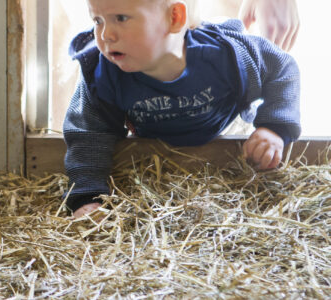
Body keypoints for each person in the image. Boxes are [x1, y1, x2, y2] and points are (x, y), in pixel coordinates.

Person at [63, 0, 301, 218]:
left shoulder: (226, 56)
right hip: (155, 168)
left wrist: (274, 127)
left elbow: (282, 68)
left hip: (228, 141)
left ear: (174, 18)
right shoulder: (103, 74)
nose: (105, 35)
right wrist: (87, 195)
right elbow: (87, 133)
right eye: (98, 20)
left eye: (121, 18)